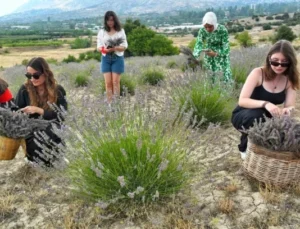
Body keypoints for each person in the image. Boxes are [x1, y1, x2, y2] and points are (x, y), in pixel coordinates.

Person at [231, 40, 299, 159]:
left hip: (271, 115)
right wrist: (266, 104)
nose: (279, 66)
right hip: (245, 114)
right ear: (269, 59)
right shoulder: (258, 73)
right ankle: (245, 147)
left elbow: (290, 105)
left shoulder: (290, 79)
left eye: (284, 63)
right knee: (257, 116)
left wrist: (287, 110)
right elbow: (242, 100)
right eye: (275, 61)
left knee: (293, 129)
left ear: (290, 63)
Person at [15, 57, 68, 166]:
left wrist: (39, 110)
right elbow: (16, 111)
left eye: (36, 75)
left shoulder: (58, 90)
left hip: (53, 125)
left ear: (45, 74)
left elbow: (61, 116)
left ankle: (55, 158)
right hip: (31, 127)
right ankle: (34, 160)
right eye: (29, 75)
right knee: (34, 134)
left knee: (51, 130)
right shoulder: (24, 89)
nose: (32, 79)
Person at [97, 11, 128, 104]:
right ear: (105, 21)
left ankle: (116, 103)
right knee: (108, 83)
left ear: (115, 20)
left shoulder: (121, 31)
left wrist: (115, 48)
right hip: (106, 58)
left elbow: (124, 46)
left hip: (117, 58)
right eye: (108, 20)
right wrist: (104, 50)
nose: (110, 22)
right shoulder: (102, 32)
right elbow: (98, 47)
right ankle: (110, 104)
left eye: (112, 20)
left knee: (115, 82)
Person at [193, 12, 232, 82]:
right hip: (209, 56)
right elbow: (199, 43)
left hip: (221, 57)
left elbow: (226, 47)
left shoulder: (222, 30)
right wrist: (195, 56)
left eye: (210, 26)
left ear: (214, 23)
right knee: (209, 77)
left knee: (222, 76)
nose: (208, 29)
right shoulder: (202, 31)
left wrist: (216, 54)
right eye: (206, 27)